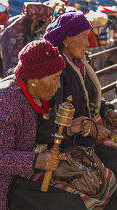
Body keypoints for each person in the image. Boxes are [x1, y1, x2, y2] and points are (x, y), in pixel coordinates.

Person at [0, 40, 116, 210]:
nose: (59, 85)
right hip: (3, 181)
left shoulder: (38, 94)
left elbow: (38, 134)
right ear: (34, 79)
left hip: (32, 165)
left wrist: (68, 129)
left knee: (106, 179)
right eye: (55, 78)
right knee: (71, 204)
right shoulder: (6, 100)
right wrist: (37, 160)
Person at [44, 11, 117, 208]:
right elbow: (55, 116)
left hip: (92, 130)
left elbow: (90, 97)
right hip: (74, 141)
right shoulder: (57, 69)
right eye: (84, 37)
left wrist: (108, 111)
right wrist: (90, 129)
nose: (88, 44)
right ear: (66, 40)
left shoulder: (80, 62)